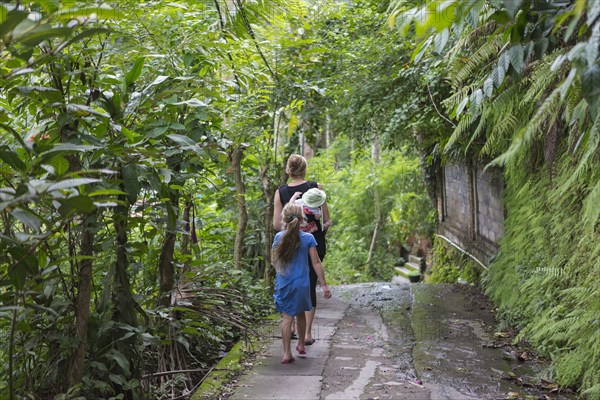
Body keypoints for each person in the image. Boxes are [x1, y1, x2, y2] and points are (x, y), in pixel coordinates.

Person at [273, 154, 331, 346]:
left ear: (288, 171)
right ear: (305, 169)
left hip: (290, 244)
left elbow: (276, 225)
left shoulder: (280, 192)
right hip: (313, 241)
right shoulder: (316, 188)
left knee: (290, 281)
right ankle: (306, 334)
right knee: (309, 284)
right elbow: (326, 219)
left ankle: (290, 325)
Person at [273, 203, 331, 364]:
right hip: (303, 283)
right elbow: (316, 262)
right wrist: (324, 284)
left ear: (284, 218)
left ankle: (286, 353)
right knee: (301, 314)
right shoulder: (308, 238)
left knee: (287, 317)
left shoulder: (279, 237)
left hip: (284, 283)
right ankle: (301, 345)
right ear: (302, 219)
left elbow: (275, 261)